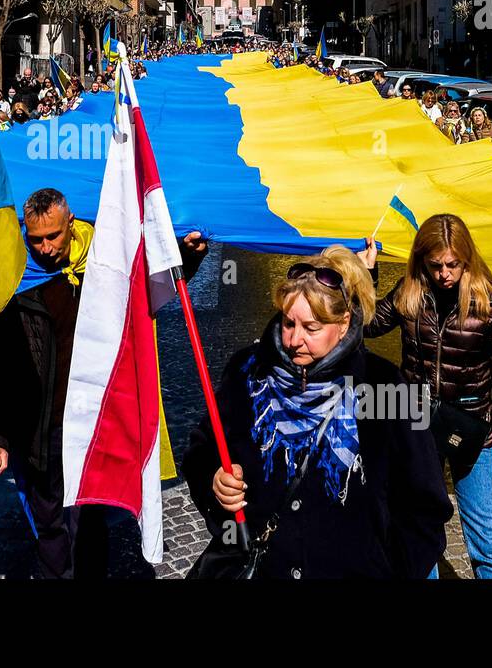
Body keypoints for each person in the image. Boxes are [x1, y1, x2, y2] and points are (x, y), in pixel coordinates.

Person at [0, 188, 207, 578]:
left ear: (71, 224)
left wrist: (188, 256)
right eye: (36, 239)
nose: (46, 248)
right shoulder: (10, 279)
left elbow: (146, 279)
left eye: (54, 236)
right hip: (38, 429)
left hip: (93, 419)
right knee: (50, 528)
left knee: (90, 522)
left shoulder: (101, 261)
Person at [183, 246, 453, 579]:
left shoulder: (387, 386)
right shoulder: (248, 372)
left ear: (343, 323)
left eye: (311, 328)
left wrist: (394, 570)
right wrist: (214, 481)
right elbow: (202, 448)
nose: (295, 339)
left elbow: (424, 505)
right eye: (288, 323)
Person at [363, 214, 492, 579]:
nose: (445, 274)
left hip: (475, 433)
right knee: (416, 539)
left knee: (488, 544)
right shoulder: (410, 291)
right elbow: (369, 326)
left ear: (467, 258)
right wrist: (367, 276)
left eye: (453, 264)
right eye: (436, 265)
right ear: (422, 260)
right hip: (418, 427)